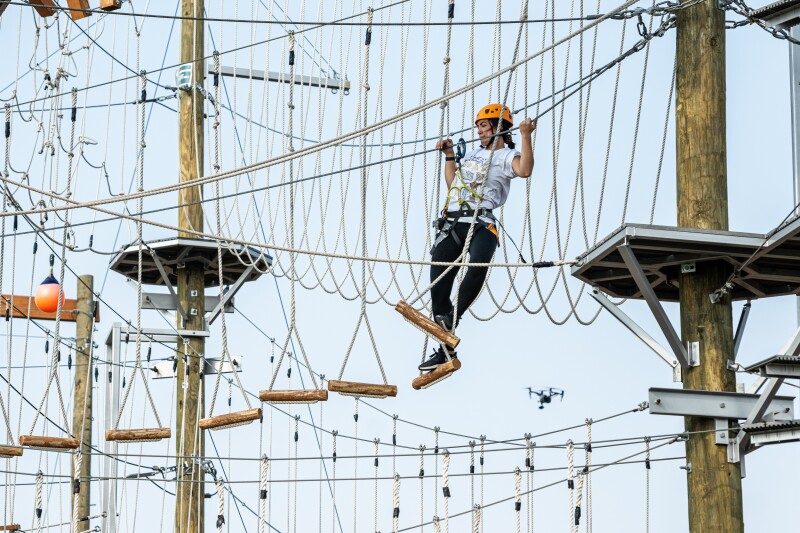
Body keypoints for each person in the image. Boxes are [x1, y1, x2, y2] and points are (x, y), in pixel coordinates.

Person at [418, 104, 536, 371]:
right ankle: (446, 349)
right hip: (453, 223)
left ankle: (452, 319)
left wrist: (526, 135)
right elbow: (453, 185)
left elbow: (525, 169)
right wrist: (449, 155)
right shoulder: (472, 154)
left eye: (484, 126)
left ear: (499, 128)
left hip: (481, 223)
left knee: (477, 268)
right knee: (439, 285)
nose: (479, 131)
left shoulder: (507, 155)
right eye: (479, 126)